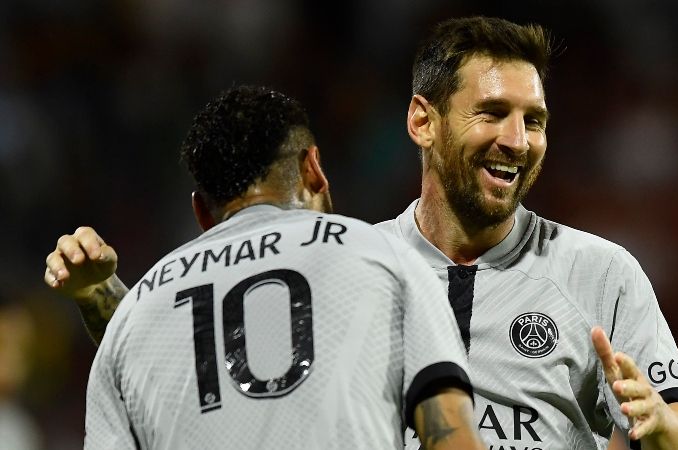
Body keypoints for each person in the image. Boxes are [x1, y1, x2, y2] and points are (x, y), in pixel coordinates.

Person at [45, 16, 678, 450]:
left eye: (533, 120)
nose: (517, 139)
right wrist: (104, 297)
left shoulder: (601, 271)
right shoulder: (358, 261)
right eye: (493, 113)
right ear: (423, 121)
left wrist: (655, 418)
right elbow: (213, 345)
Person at [50, 85, 485, 450]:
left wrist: (96, 294)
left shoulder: (138, 309)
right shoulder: (385, 257)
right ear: (313, 168)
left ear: (202, 212)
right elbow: (450, 434)